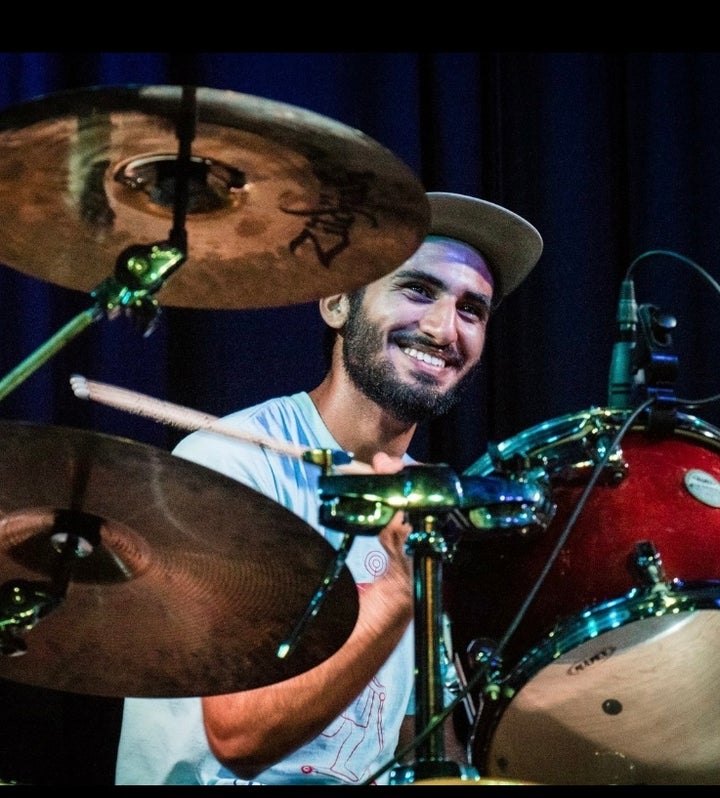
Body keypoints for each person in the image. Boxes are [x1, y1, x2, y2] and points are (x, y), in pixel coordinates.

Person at [114, 191, 543, 786]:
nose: (446, 328)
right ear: (338, 302)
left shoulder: (426, 501)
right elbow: (239, 735)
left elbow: (415, 739)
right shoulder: (230, 463)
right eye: (418, 290)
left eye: (473, 310)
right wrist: (397, 588)